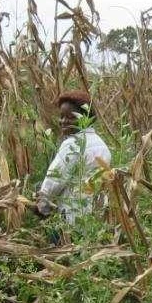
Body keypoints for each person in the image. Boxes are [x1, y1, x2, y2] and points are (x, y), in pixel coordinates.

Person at [36, 90, 112, 224]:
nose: (63, 122)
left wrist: (42, 199)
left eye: (70, 117)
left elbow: (55, 179)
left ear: (85, 118)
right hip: (96, 218)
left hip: (72, 216)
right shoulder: (102, 146)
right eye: (62, 117)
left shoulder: (72, 144)